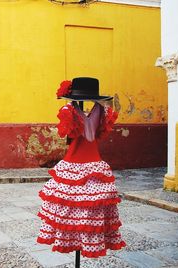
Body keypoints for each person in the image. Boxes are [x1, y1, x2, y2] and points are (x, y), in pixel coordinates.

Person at [36, 77, 126, 258]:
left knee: (72, 207)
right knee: (87, 208)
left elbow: (67, 134)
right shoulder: (101, 111)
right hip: (93, 164)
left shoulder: (70, 110)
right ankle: (81, 240)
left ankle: (75, 239)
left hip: (75, 164)